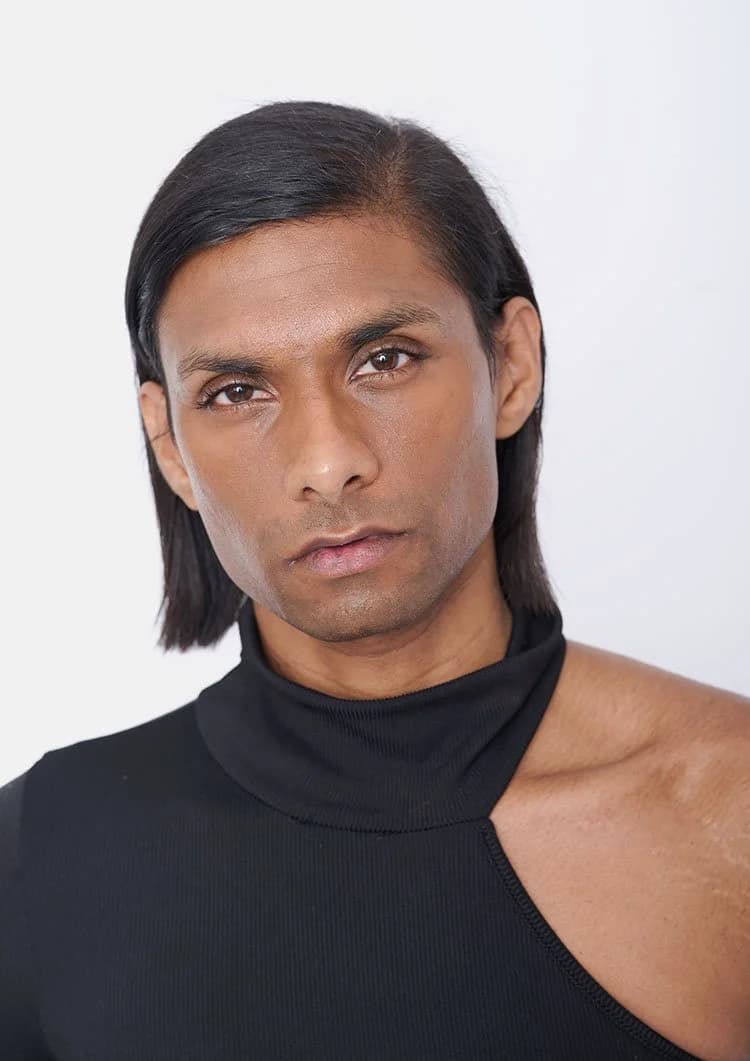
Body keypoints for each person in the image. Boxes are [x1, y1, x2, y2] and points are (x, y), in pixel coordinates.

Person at [1, 100, 747, 1061]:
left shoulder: (728, 814)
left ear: (511, 365)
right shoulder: (39, 856)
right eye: (236, 392)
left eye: (384, 360)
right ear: (169, 444)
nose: (327, 461)